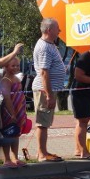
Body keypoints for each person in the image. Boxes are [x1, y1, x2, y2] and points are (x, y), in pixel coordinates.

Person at [32, 18, 67, 162]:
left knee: (45, 122)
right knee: (43, 122)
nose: (59, 31)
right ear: (48, 30)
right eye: (57, 28)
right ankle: (41, 153)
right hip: (43, 89)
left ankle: (43, 151)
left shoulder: (50, 45)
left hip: (47, 89)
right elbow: (44, 72)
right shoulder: (45, 47)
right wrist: (49, 95)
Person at [0, 57, 28, 168]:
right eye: (13, 65)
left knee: (16, 134)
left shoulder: (16, 78)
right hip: (9, 111)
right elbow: (7, 98)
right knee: (8, 133)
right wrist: (12, 114)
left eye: (17, 65)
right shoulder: (6, 80)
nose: (16, 67)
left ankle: (15, 157)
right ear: (6, 66)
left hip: (18, 109)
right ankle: (7, 159)